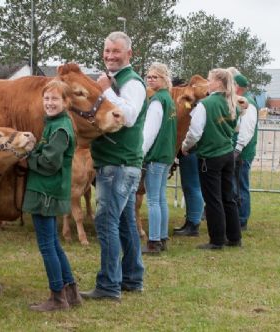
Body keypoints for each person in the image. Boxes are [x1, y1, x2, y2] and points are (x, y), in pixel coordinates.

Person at [81, 31, 147, 301]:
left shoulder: (132, 82)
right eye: (107, 51)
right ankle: (132, 277)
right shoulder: (117, 80)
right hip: (120, 163)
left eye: (116, 51)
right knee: (125, 222)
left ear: (129, 54)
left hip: (118, 164)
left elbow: (129, 117)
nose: (110, 56)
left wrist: (106, 89)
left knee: (106, 222)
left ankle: (109, 285)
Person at [22, 80, 82, 311]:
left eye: (55, 99)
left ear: (66, 102)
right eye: (46, 98)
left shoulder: (59, 129)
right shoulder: (54, 123)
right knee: (54, 244)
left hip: (47, 190)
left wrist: (27, 158)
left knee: (47, 246)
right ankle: (71, 292)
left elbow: (50, 163)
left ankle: (57, 297)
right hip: (48, 189)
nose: (49, 103)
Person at [181, 68, 242, 250]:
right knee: (227, 197)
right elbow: (236, 128)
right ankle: (234, 237)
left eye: (210, 80)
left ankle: (216, 239)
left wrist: (185, 146)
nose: (208, 83)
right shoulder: (232, 103)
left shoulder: (205, 104)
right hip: (227, 154)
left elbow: (195, 133)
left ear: (218, 83)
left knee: (213, 199)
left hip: (210, 156)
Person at [141, 62, 177, 254]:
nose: (150, 79)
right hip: (166, 155)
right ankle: (162, 237)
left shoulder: (157, 101)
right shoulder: (169, 100)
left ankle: (154, 241)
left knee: (153, 200)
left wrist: (141, 153)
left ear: (164, 79)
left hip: (156, 155)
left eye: (155, 76)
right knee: (161, 198)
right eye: (149, 76)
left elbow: (149, 132)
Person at [229, 68, 258, 231]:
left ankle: (241, 219)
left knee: (240, 185)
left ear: (237, 86)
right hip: (239, 151)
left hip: (242, 152)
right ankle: (238, 217)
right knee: (236, 184)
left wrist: (238, 149)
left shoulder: (248, 104)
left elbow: (246, 130)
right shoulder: (243, 101)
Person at [172, 151, 204, 237]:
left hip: (191, 151)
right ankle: (190, 222)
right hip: (189, 152)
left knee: (193, 187)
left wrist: (184, 147)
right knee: (189, 187)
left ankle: (194, 224)